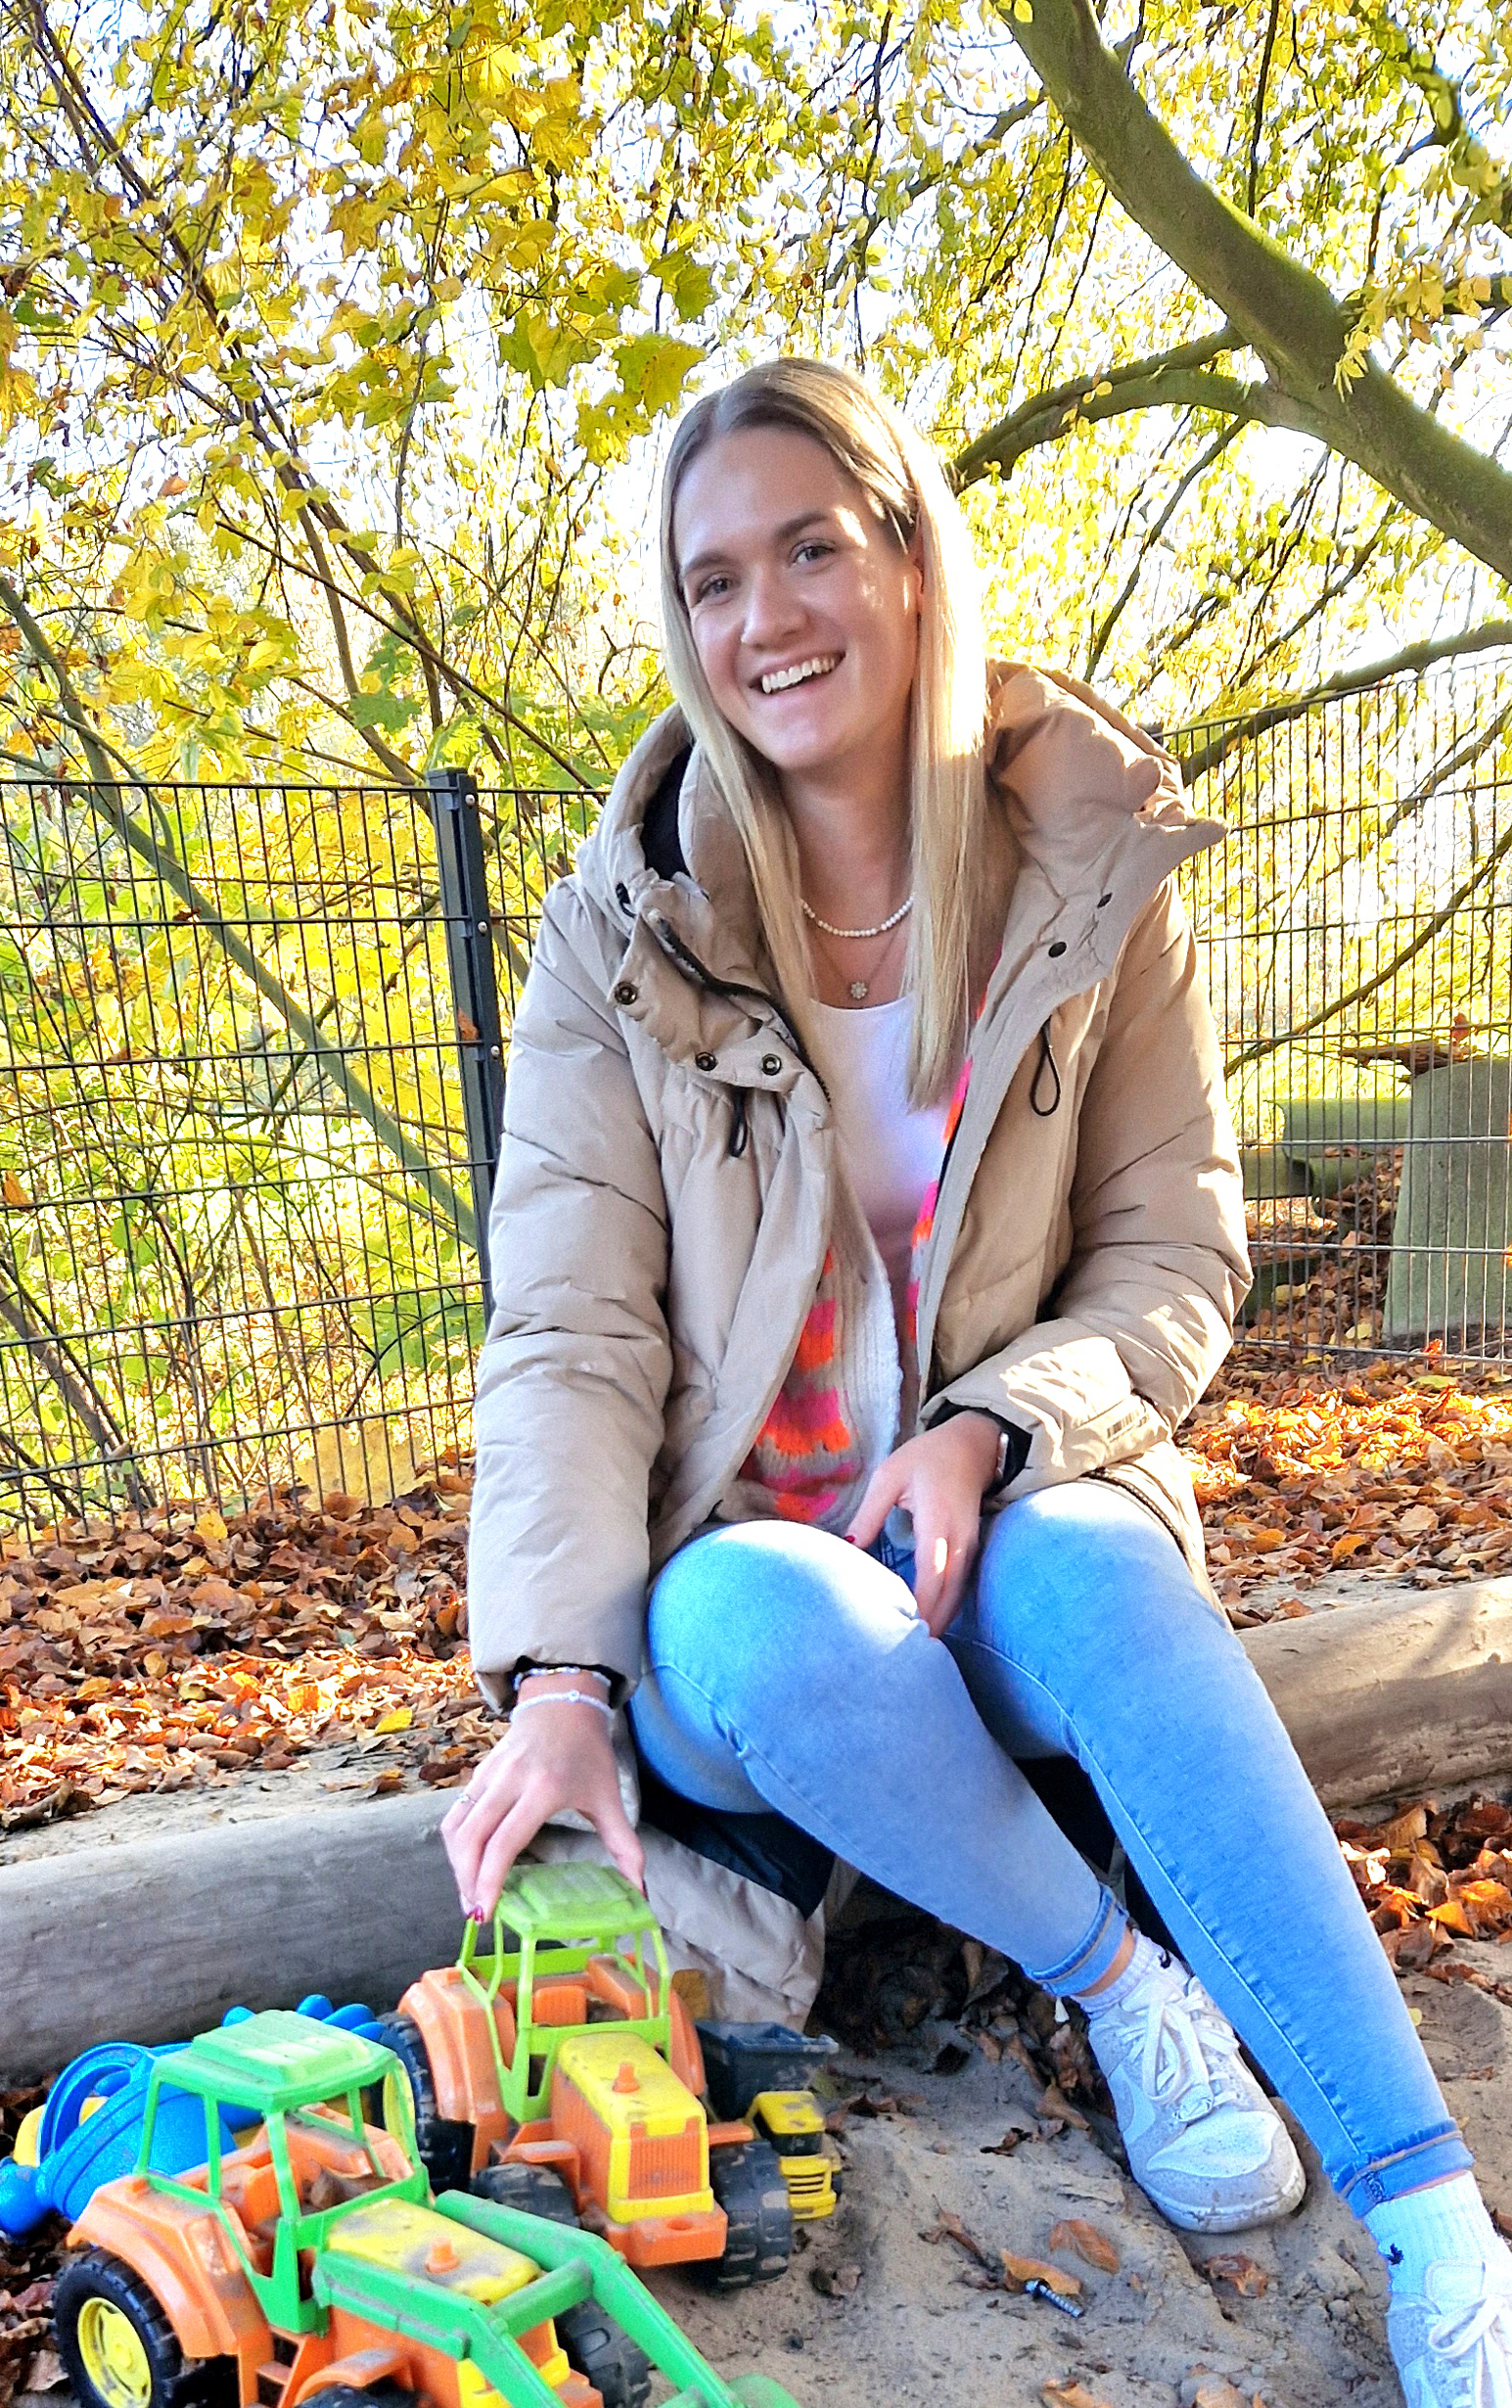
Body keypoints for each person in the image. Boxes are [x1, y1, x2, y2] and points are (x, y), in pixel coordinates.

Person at [441, 358, 1512, 2406]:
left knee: (1098, 1575)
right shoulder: (613, 938)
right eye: (714, 577)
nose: (764, 618)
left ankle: (1428, 2218)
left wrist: (986, 1426)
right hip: (745, 1622)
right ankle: (1117, 1988)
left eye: (808, 549)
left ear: (913, 556)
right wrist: (557, 1685)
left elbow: (1172, 1258)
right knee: (757, 1604)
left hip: (1017, 1523)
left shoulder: (1092, 880)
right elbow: (566, 1334)